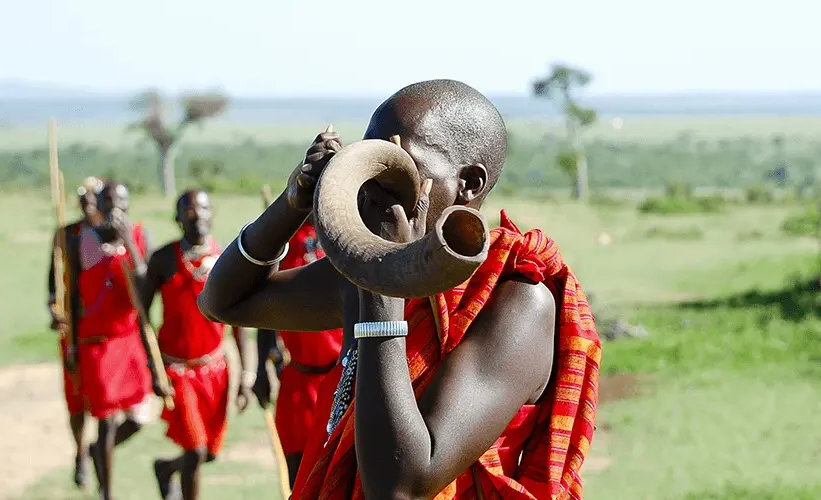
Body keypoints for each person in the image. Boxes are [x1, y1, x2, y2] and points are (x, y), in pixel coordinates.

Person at [198, 80, 602, 499]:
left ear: (469, 184)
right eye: (369, 160)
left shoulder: (517, 301)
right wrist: (292, 203)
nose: (371, 183)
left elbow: (400, 486)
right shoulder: (362, 278)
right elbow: (224, 301)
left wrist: (382, 281)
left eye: (397, 164)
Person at [139, 189, 253, 500]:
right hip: (177, 371)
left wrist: (246, 376)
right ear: (177, 218)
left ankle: (165, 469)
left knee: (209, 453)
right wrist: (152, 368)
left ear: (212, 213)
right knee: (195, 449)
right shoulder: (163, 260)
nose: (197, 215)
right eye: (189, 210)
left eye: (203, 208)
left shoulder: (227, 258)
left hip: (216, 370)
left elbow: (238, 320)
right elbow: (142, 316)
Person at [74, 180, 156, 500]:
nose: (115, 208)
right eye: (109, 201)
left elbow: (143, 284)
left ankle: (97, 451)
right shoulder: (82, 238)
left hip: (129, 338)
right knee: (105, 421)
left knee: (138, 417)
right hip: (97, 341)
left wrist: (128, 245)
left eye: (121, 201)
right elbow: (74, 297)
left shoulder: (138, 234)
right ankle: (107, 491)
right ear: (100, 204)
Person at [252, 216, 343, 487]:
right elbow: (265, 307)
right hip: (298, 380)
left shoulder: (348, 235)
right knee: (298, 476)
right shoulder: (280, 244)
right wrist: (261, 367)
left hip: (343, 379)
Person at [46, 176, 104, 488]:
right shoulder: (67, 235)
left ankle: (100, 451)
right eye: (83, 198)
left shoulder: (113, 236)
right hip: (75, 330)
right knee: (77, 398)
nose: (88, 203)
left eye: (94, 197)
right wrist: (55, 312)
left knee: (107, 401)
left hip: (105, 331)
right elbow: (53, 286)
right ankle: (81, 452)